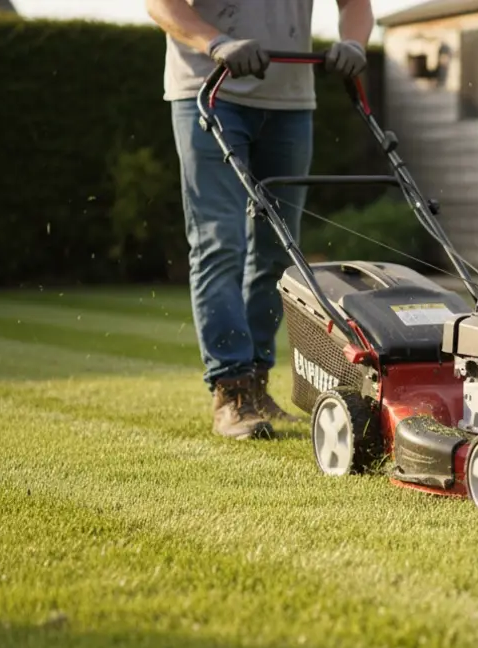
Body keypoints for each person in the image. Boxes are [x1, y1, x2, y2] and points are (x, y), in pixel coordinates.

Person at [146, 0, 374, 439]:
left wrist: (353, 43)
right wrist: (216, 42)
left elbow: (356, 5)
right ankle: (231, 390)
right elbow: (161, 5)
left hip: (290, 102)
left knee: (277, 249)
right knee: (220, 241)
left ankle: (256, 382)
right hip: (210, 89)